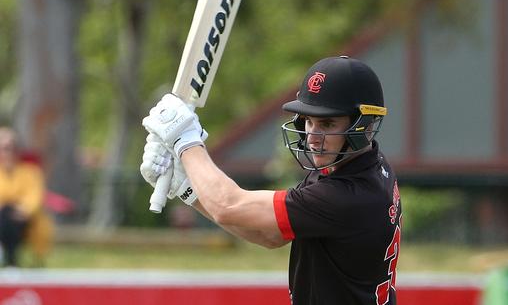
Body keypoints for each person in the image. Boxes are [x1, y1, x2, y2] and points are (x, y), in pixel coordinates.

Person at [141, 56, 402, 304]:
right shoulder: (359, 168)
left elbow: (228, 205)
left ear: (365, 125)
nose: (312, 136)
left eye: (327, 124)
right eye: (309, 121)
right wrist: (186, 187)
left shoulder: (346, 196)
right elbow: (270, 235)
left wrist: (185, 141)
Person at [0, 127, 46, 267]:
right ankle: (11, 261)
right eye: (4, 148)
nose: (7, 153)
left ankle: (9, 258)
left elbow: (34, 196)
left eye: (11, 148)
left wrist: (24, 210)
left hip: (22, 218)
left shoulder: (30, 172)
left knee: (10, 217)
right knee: (6, 215)